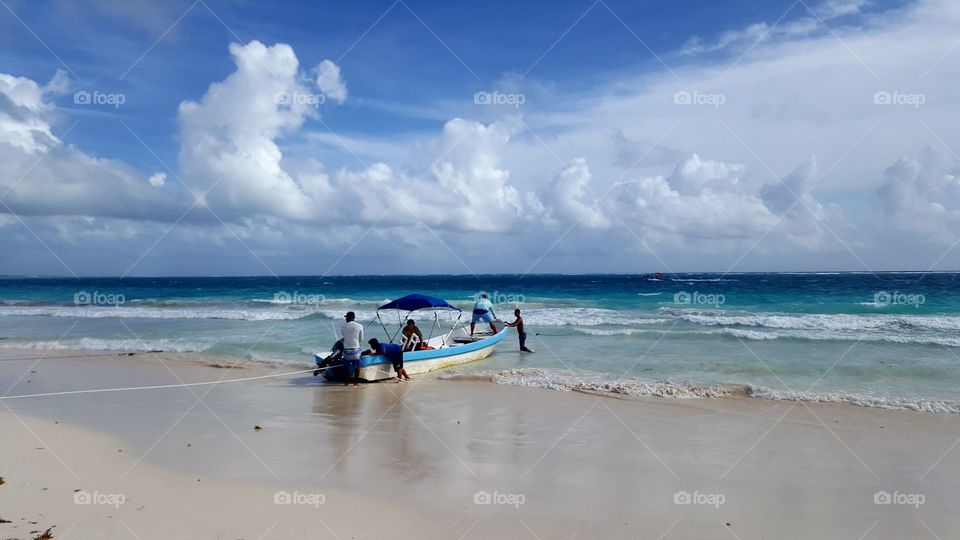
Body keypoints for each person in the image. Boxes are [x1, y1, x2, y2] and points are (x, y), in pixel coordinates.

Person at [340, 311, 364, 387]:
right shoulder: (360, 326)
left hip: (346, 349)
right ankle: (355, 383)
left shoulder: (343, 326)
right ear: (354, 318)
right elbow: (361, 339)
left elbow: (344, 336)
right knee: (357, 366)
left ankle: (346, 383)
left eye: (346, 317)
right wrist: (356, 343)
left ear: (347, 318)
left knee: (346, 367)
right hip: (356, 350)